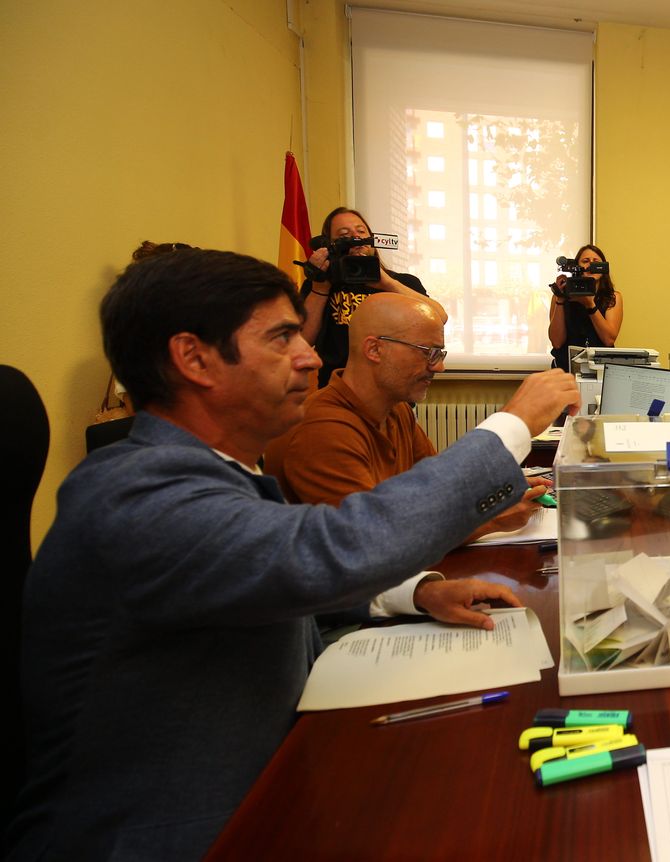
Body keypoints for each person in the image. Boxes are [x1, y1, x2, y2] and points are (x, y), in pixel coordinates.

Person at [9, 248, 579, 860]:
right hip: (175, 833)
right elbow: (325, 549)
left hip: (274, 776)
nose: (311, 356)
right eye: (283, 338)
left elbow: (273, 575)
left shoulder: (220, 471)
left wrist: (413, 591)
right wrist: (513, 423)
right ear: (193, 358)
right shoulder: (135, 494)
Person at [265, 292, 549, 539]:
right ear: (375, 349)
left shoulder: (396, 409)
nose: (438, 368)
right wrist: (494, 518)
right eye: (429, 352)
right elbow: (378, 540)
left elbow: (440, 494)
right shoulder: (322, 430)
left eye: (440, 353)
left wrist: (499, 491)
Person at [300, 206, 428, 387]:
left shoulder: (402, 283)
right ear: (328, 245)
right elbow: (303, 340)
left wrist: (388, 283)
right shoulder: (320, 285)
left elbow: (436, 318)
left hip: (394, 391)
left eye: (361, 231)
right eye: (344, 235)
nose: (356, 238)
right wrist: (321, 286)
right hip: (338, 390)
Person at [548, 243, 624, 370]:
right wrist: (560, 299)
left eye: (596, 261)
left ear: (602, 267)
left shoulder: (612, 298)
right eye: (585, 261)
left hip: (599, 369)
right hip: (565, 368)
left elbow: (609, 340)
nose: (591, 265)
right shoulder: (560, 296)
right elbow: (556, 342)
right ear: (576, 266)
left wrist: (590, 304)